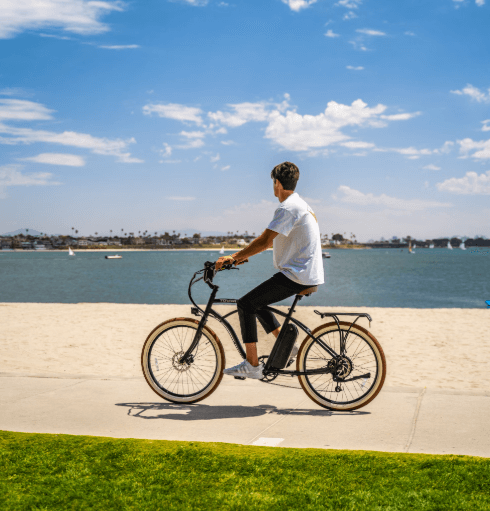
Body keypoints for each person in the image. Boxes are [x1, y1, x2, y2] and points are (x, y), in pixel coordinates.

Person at [215, 161, 324, 379]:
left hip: (297, 275)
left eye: (273, 183)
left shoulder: (288, 207)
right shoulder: (301, 205)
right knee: (258, 302)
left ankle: (252, 365)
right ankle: (287, 345)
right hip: (305, 273)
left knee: (245, 304)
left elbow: (265, 240)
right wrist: (240, 259)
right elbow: (273, 242)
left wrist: (233, 257)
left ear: (277, 183)